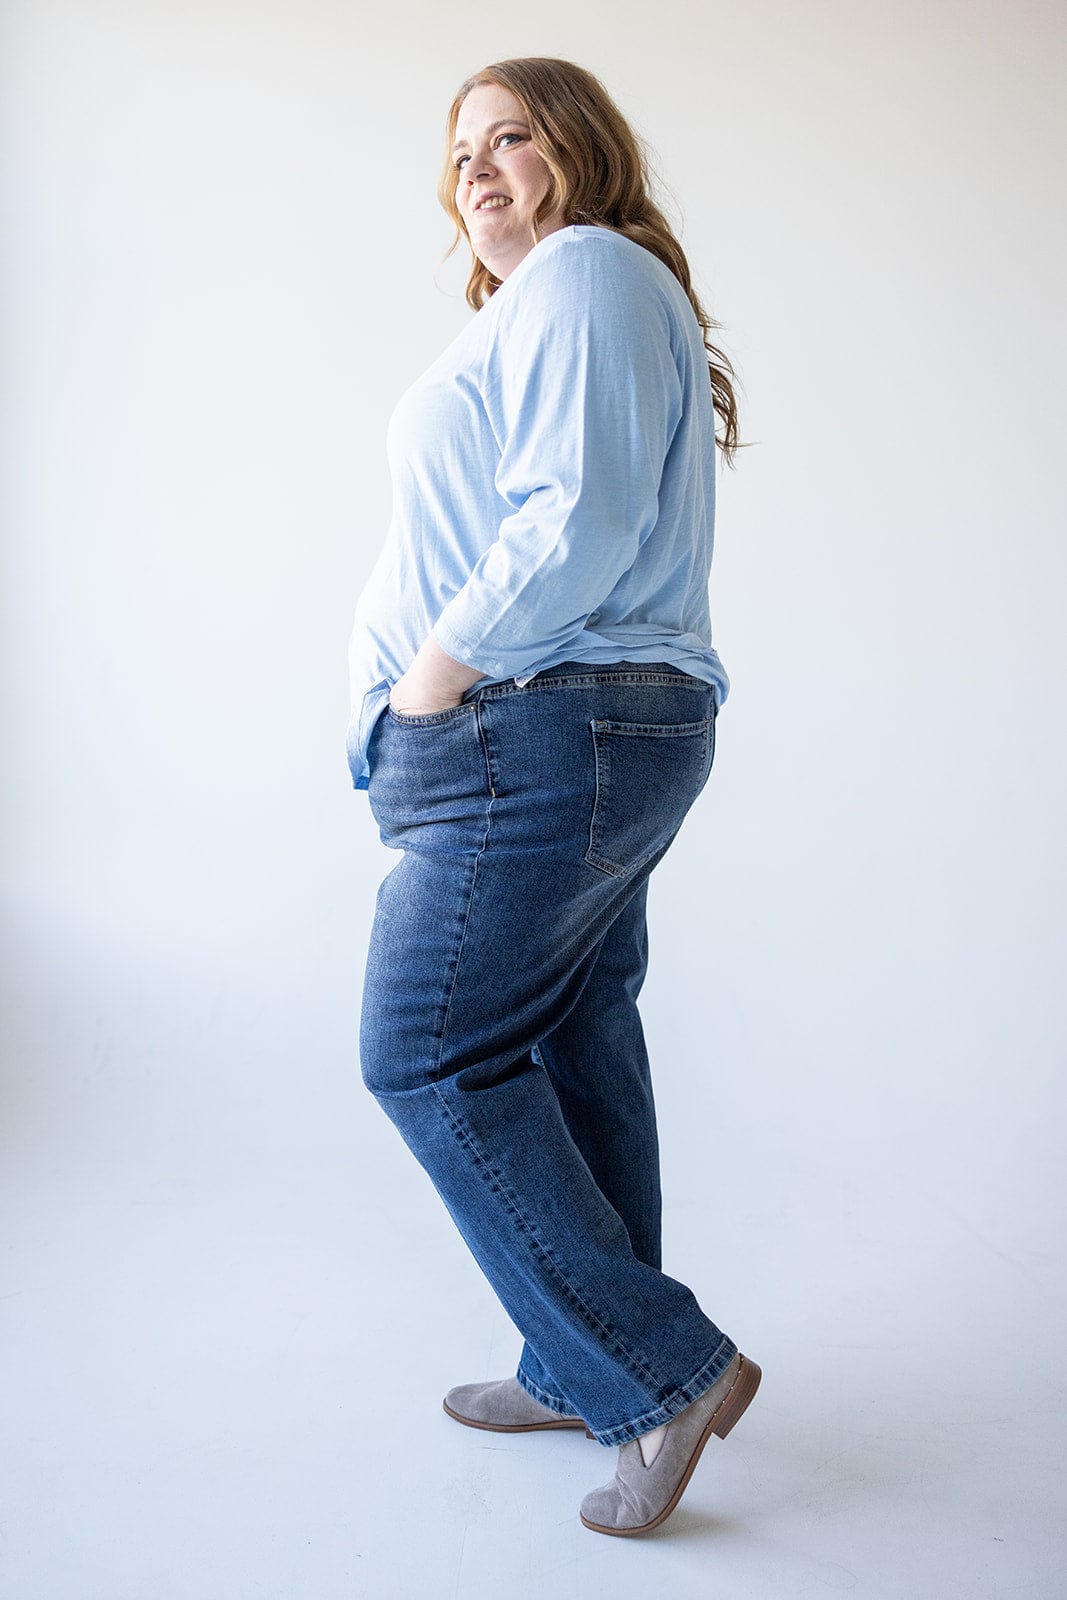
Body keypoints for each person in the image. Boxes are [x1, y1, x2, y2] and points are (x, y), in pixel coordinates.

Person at [344, 55, 760, 1538]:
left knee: (430, 1056)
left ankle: (661, 1373)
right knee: (572, 1036)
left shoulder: (586, 268)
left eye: (512, 133)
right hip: (584, 728)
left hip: (541, 725)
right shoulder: (562, 297)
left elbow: (572, 518)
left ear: (579, 150)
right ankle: (587, 1362)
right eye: (459, 148)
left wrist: (428, 681)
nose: (478, 165)